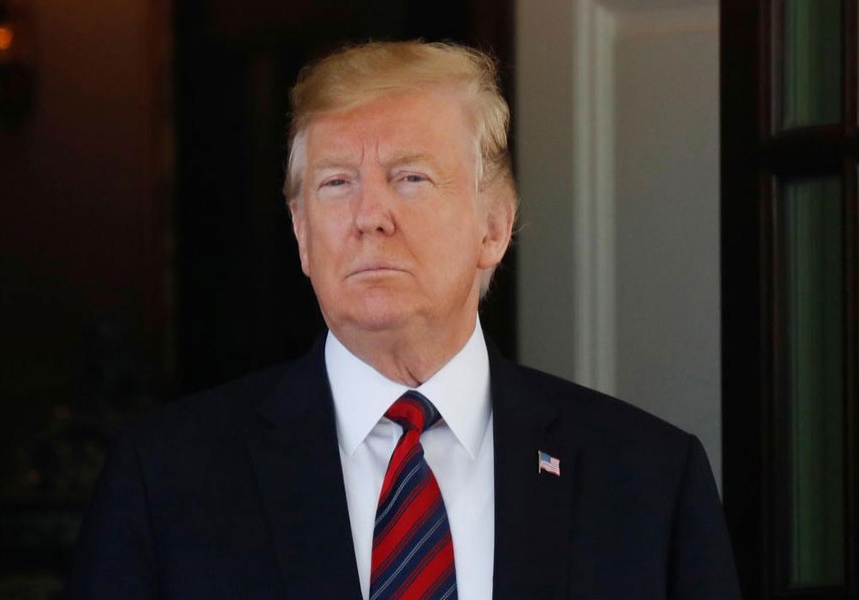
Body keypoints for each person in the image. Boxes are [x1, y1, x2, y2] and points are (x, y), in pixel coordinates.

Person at [68, 40, 741, 599]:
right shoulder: (166, 478)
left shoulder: (649, 482)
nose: (369, 215)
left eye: (410, 178)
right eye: (336, 183)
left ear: (494, 227)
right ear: (302, 233)